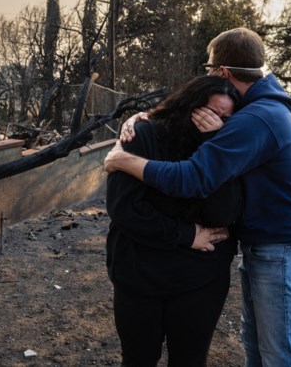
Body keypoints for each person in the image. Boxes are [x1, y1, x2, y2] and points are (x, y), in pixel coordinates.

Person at [105, 27, 291, 367]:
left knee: (277, 355)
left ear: (222, 71)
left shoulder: (255, 118)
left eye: (208, 68)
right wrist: (144, 117)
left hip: (280, 248)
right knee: (259, 347)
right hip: (273, 245)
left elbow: (194, 178)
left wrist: (125, 160)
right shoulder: (262, 109)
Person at [107, 75, 244, 367]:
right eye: (209, 112)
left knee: (190, 360)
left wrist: (214, 143)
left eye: (224, 117)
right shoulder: (144, 135)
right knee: (138, 359)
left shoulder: (225, 147)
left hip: (200, 278)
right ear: (189, 105)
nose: (215, 121)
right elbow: (124, 209)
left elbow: (222, 215)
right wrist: (185, 235)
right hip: (139, 272)